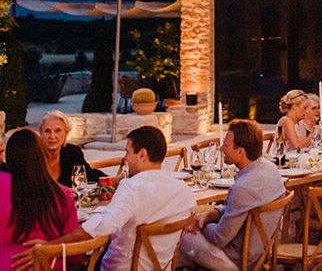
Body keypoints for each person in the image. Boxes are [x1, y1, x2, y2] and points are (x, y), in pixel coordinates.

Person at [13, 125, 195, 271]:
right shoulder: (182, 190)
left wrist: (49, 246)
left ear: (142, 154)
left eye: (128, 152)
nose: (125, 159)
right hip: (162, 266)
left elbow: (100, 228)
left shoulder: (132, 188)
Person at [178, 120, 287, 269]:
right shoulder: (270, 169)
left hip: (238, 260)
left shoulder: (244, 188)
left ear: (241, 152)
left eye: (226, 145)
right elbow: (239, 209)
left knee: (183, 235)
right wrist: (211, 214)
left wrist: (202, 225)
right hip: (260, 254)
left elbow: (219, 238)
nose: (222, 149)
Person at [2, 129, 80, 270]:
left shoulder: (3, 187)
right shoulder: (63, 195)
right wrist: (50, 248)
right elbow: (74, 255)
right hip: (48, 266)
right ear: (42, 156)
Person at [38, 110, 104, 186]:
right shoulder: (33, 155)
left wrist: (113, 180)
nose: (52, 136)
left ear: (66, 133)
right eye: (47, 131)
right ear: (41, 134)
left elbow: (89, 175)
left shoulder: (72, 152)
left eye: (58, 131)